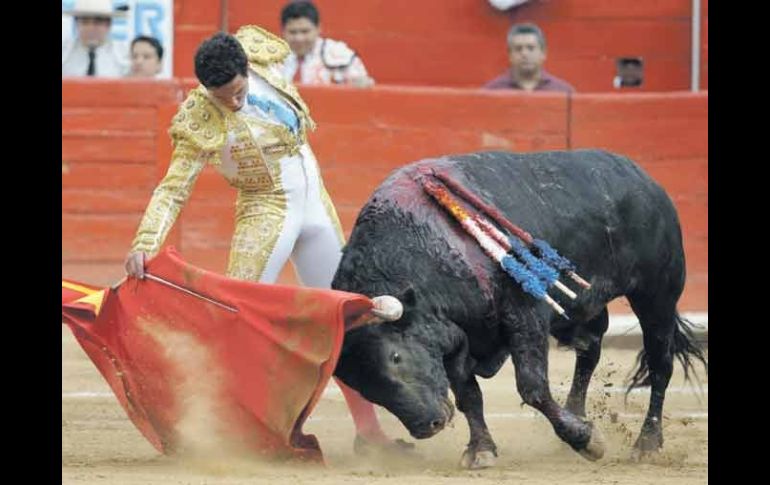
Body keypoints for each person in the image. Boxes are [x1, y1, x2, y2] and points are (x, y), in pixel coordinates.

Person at [124, 26, 408, 454]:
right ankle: (230, 431)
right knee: (239, 323)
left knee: (345, 318)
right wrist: (147, 238)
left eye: (237, 91)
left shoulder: (261, 54)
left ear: (246, 68)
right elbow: (173, 187)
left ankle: (369, 433)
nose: (232, 103)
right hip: (264, 210)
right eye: (222, 97)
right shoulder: (199, 115)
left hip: (315, 202)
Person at [280, 1, 373, 87]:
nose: (299, 38)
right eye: (293, 32)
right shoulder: (274, 58)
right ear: (283, 31)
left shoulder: (340, 54)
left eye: (305, 31)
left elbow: (363, 89)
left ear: (318, 28)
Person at [483, 23, 574, 93]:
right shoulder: (492, 90)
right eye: (518, 49)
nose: (524, 54)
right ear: (510, 55)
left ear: (543, 53)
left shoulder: (563, 91)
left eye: (531, 48)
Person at [62, 0, 130, 78]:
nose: (90, 28)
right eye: (85, 22)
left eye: (97, 23)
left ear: (108, 25)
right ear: (77, 24)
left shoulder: (124, 54)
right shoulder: (64, 53)